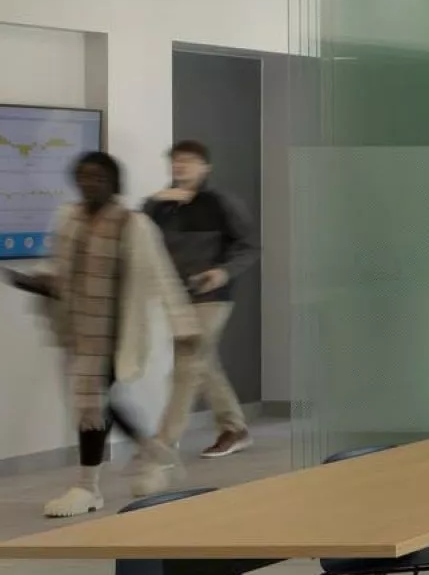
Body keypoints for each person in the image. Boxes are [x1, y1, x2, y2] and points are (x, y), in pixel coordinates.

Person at [4, 152, 200, 517]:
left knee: (90, 406)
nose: (89, 184)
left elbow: (162, 276)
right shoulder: (69, 217)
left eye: (97, 177)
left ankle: (87, 486)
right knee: (96, 405)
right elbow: (59, 268)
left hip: (113, 334)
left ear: (113, 182)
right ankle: (151, 451)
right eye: (82, 177)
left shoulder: (134, 225)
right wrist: (31, 280)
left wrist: (184, 323)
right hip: (76, 329)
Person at [142, 140, 257, 459]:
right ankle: (234, 428)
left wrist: (223, 272)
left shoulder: (221, 202)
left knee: (188, 362)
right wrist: (153, 201)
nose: (181, 166)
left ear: (206, 167)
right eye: (176, 161)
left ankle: (165, 441)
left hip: (213, 295)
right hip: (177, 296)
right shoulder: (162, 204)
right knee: (203, 362)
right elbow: (136, 233)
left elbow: (249, 246)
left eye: (189, 161)